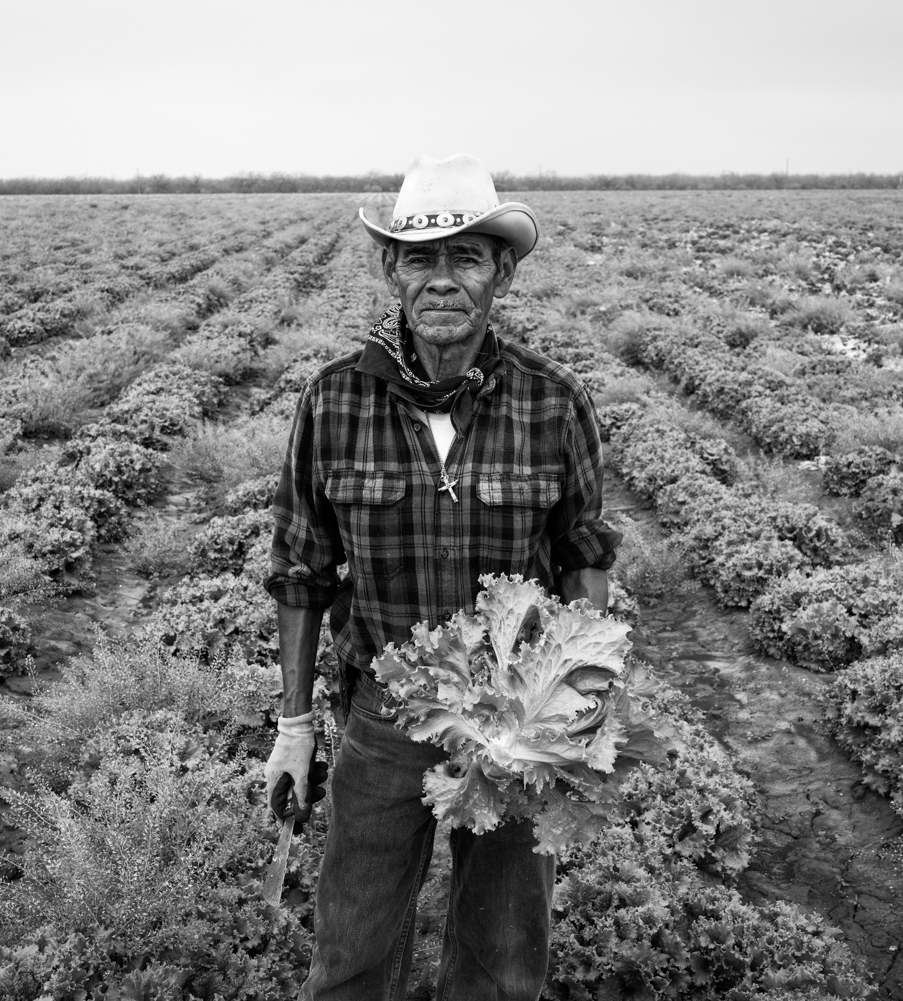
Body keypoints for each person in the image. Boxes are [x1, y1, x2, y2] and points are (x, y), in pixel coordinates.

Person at [263, 153, 621, 1001]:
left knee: (501, 963)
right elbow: (301, 567)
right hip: (383, 716)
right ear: (392, 268)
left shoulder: (554, 402)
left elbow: (584, 554)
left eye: (466, 255)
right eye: (421, 256)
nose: (443, 278)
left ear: (502, 270)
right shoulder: (334, 400)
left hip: (513, 720)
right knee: (350, 953)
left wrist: (577, 692)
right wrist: (294, 723)